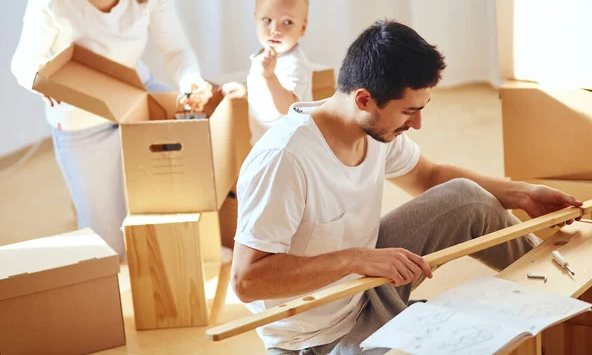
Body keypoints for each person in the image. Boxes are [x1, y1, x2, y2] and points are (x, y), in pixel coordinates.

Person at [230, 20, 583, 354]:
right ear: (364, 100)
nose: (417, 123)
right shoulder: (284, 159)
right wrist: (354, 258)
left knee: (465, 197)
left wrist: (522, 194)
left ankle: (572, 294)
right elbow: (247, 281)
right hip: (319, 340)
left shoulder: (374, 129)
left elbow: (429, 177)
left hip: (365, 285)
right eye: (409, 112)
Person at [11, 0, 213, 258]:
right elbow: (23, 62)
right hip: (80, 119)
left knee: (191, 159)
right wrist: (39, 79)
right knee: (107, 246)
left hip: (137, 93)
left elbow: (175, 49)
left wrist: (191, 81)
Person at [222, 0, 313, 145]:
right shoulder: (264, 56)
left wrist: (270, 76)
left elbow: (288, 107)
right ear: (255, 19)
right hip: (264, 142)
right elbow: (266, 97)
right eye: (267, 19)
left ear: (302, 27)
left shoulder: (294, 64)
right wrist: (245, 91)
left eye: (287, 22)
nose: (275, 29)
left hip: (289, 146)